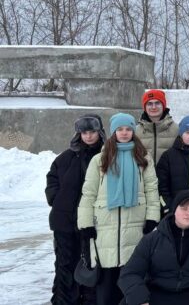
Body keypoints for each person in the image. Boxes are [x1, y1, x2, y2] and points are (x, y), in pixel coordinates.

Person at [77, 113, 160, 305]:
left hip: (135, 225)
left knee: (130, 281)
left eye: (128, 129)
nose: (124, 133)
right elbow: (88, 193)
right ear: (114, 132)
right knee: (106, 285)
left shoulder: (143, 158)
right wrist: (86, 223)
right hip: (105, 227)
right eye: (120, 129)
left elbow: (151, 189)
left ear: (133, 131)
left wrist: (152, 217)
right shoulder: (99, 159)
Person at [118, 190, 189, 305]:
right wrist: (140, 299)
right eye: (184, 208)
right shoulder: (152, 239)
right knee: (129, 301)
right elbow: (130, 273)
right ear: (174, 210)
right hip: (159, 292)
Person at [46, 114, 105, 305]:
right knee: (64, 267)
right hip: (65, 223)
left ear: (100, 132)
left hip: (93, 223)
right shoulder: (65, 157)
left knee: (90, 267)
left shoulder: (106, 157)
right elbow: (52, 179)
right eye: (84, 132)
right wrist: (56, 199)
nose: (88, 136)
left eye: (92, 132)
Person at [135, 89, 179, 164]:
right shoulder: (136, 131)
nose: (154, 107)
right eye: (149, 104)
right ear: (145, 107)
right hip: (144, 175)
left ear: (163, 105)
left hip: (168, 175)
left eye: (157, 103)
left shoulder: (176, 129)